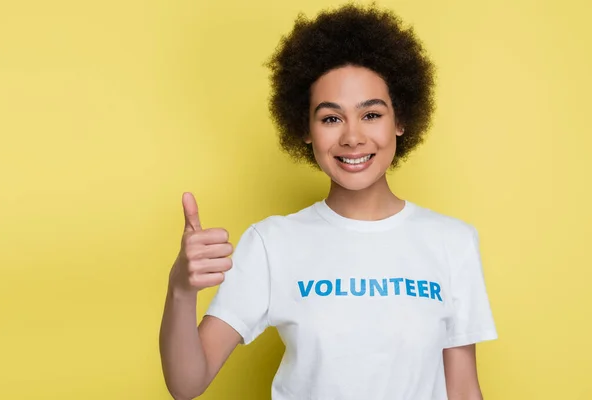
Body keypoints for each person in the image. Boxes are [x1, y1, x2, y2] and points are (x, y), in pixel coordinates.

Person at [159, 3, 498, 400]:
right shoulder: (272, 243)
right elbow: (186, 384)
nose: (352, 137)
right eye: (331, 118)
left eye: (371, 114)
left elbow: (463, 389)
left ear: (400, 120)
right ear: (306, 128)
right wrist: (180, 290)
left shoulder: (452, 242)